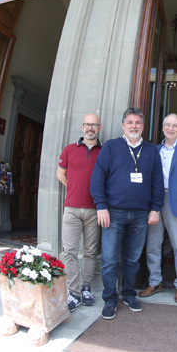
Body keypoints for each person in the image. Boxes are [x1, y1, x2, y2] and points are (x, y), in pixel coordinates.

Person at [90, 107, 165, 320]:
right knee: (110, 260)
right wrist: (101, 206)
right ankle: (110, 299)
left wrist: (155, 208)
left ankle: (129, 294)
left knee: (132, 260)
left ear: (143, 126)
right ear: (123, 125)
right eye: (130, 122)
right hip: (113, 213)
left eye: (138, 123)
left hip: (141, 214)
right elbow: (97, 179)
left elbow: (158, 183)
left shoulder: (151, 151)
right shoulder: (112, 147)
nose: (134, 126)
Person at [139, 113, 177, 304]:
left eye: (175, 126)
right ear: (162, 127)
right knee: (153, 245)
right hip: (156, 201)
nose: (170, 128)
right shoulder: (154, 150)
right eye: (167, 125)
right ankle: (155, 282)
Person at [57, 113, 103, 312]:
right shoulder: (69, 149)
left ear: (99, 128)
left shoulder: (105, 151)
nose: (90, 128)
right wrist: (73, 189)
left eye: (94, 124)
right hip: (72, 209)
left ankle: (86, 288)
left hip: (94, 210)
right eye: (87, 124)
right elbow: (60, 173)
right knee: (70, 252)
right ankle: (73, 292)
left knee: (91, 252)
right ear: (82, 127)